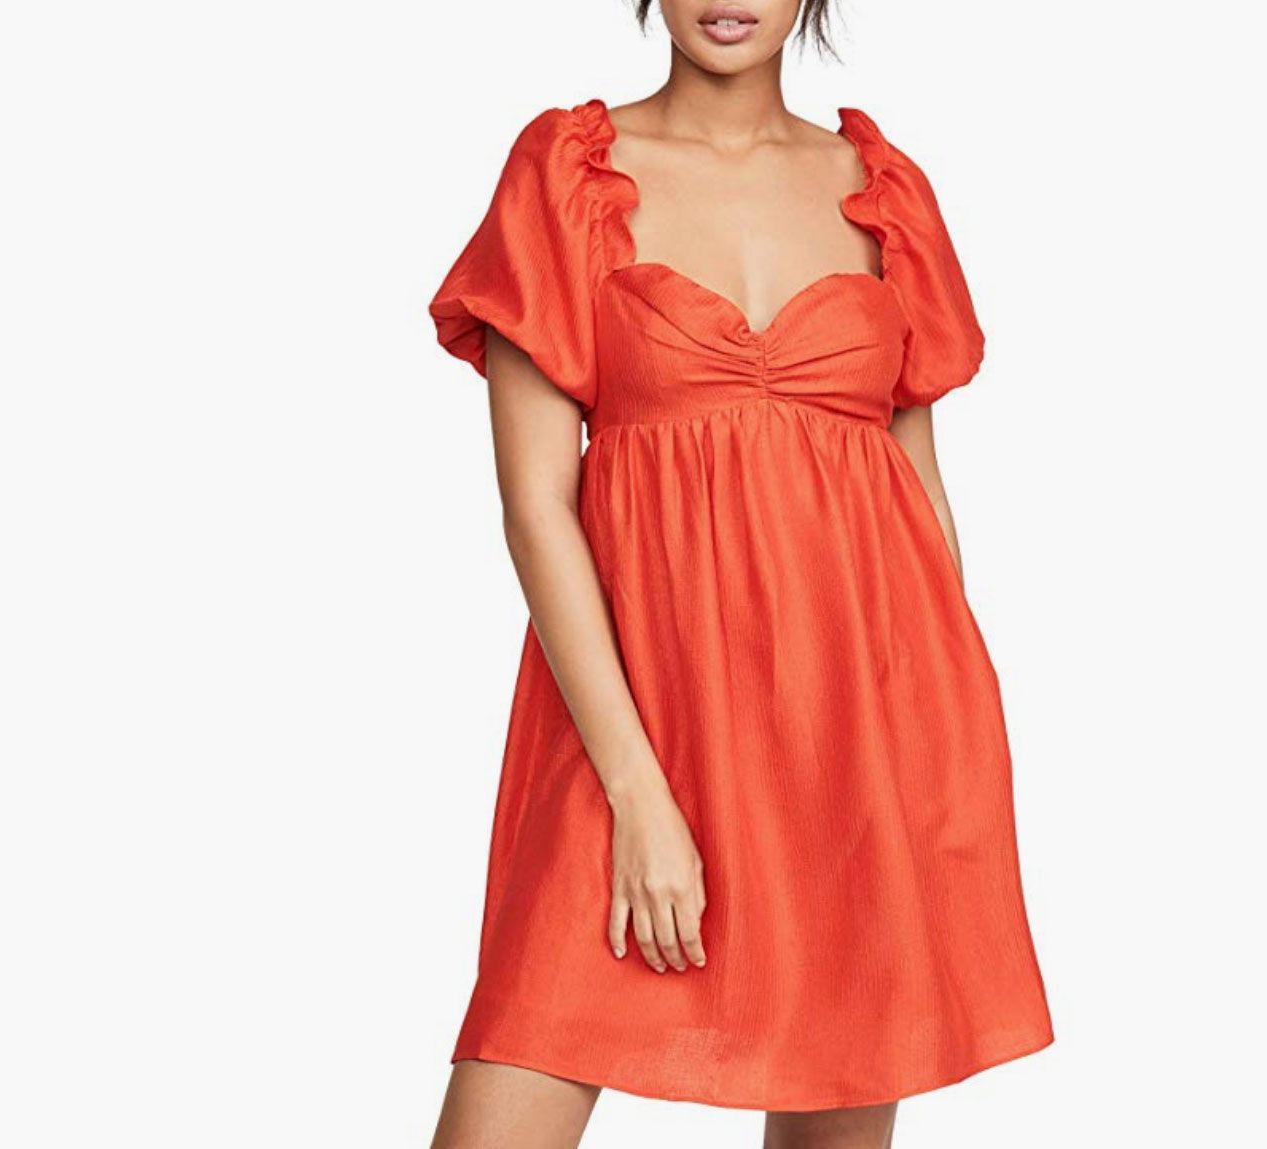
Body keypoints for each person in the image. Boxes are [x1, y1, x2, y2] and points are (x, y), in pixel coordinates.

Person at [426, 3, 1052, 1145]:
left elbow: (916, 493)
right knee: (517, 1066)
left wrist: (936, 745)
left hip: (856, 734)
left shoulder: (882, 191)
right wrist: (637, 794)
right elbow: (536, 508)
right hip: (633, 728)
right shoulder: (569, 174)